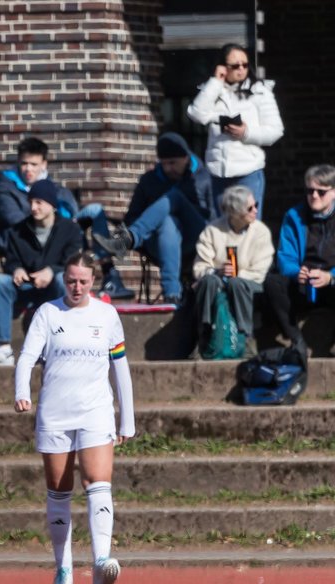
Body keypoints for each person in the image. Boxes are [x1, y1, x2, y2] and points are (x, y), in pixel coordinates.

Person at [14, 251, 135, 584]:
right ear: (62, 280)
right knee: (59, 488)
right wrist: (21, 391)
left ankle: (101, 564)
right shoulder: (48, 313)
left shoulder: (107, 315)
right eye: (70, 281)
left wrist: (127, 419)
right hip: (55, 412)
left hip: (95, 410)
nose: (76, 287)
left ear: (93, 281)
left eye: (83, 281)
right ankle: (63, 569)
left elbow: (120, 368)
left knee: (98, 481)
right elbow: (27, 356)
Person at [0, 137, 131, 299]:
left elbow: (71, 207)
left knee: (95, 210)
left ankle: (110, 275)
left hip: (58, 229)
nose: (28, 169)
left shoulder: (50, 185)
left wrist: (68, 224)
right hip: (26, 239)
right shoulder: (6, 188)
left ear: (44, 164)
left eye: (34, 164)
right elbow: (17, 221)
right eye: (24, 164)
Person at [0, 180, 82, 366]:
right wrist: (17, 269)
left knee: (64, 281)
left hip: (54, 289)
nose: (33, 207)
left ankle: (62, 344)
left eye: (39, 202)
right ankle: (3, 349)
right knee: (1, 282)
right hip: (27, 286)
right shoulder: (18, 230)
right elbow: (12, 260)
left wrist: (52, 271)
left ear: (52, 204)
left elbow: (73, 262)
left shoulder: (70, 230)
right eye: (31, 202)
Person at [93, 132, 213, 303]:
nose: (168, 168)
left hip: (196, 240)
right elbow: (131, 217)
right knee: (168, 222)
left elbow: (213, 218)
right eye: (163, 163)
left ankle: (127, 239)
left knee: (174, 198)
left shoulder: (203, 178)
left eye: (173, 163)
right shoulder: (149, 180)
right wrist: (156, 218)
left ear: (186, 158)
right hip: (158, 244)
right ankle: (172, 294)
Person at [186, 43, 283, 217]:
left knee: (249, 226)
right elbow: (196, 114)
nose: (241, 69)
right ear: (223, 67)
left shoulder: (260, 91)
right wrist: (215, 82)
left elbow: (275, 131)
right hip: (219, 172)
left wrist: (246, 133)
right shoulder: (212, 90)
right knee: (223, 229)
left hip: (248, 170)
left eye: (245, 65)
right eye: (235, 66)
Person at [190, 186, 274, 354]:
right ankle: (204, 335)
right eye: (250, 208)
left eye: (255, 204)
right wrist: (218, 272)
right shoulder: (212, 231)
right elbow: (199, 268)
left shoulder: (261, 232)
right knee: (209, 281)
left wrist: (237, 275)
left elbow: (260, 272)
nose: (256, 210)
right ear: (235, 213)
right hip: (218, 281)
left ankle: (246, 337)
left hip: (250, 284)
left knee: (237, 283)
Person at [261, 164, 335, 356]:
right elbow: (285, 256)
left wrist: (330, 276)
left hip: (331, 283)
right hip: (304, 284)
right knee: (273, 283)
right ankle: (296, 340)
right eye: (310, 190)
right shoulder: (294, 216)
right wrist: (296, 272)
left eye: (321, 191)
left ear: (334, 192)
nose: (315, 196)